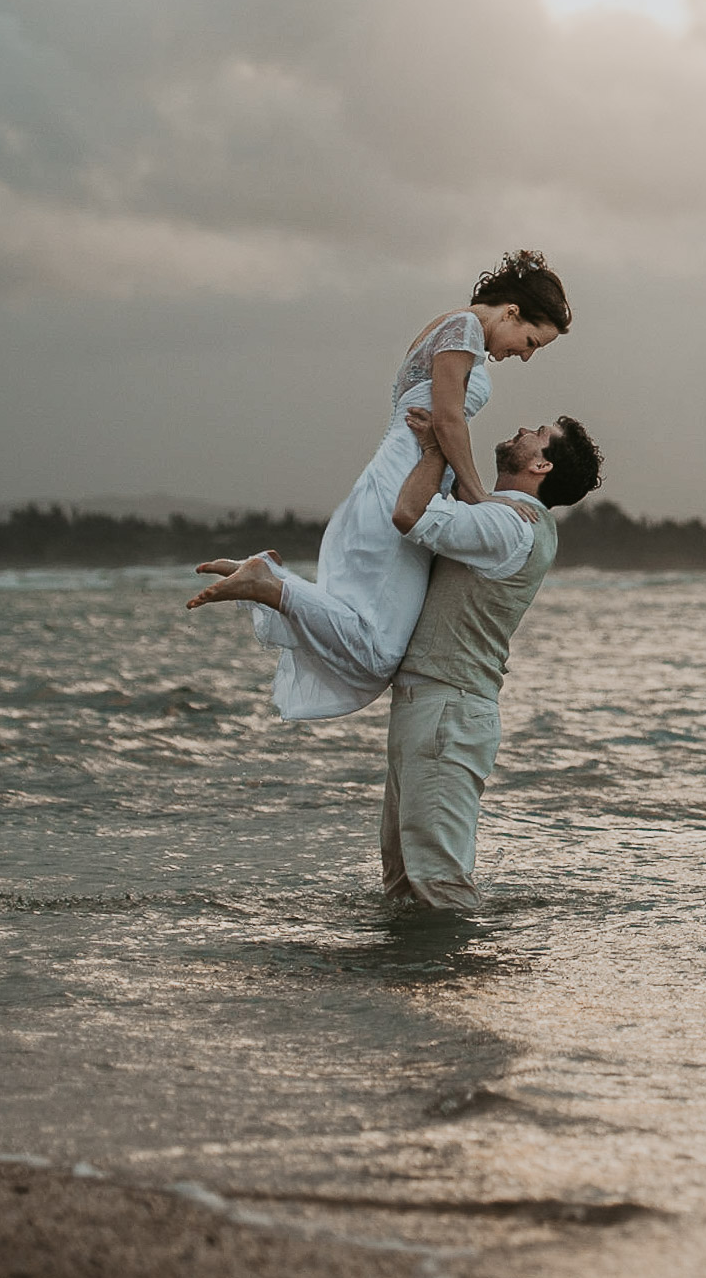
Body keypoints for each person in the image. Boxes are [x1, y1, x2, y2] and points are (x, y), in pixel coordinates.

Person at [186, 252, 572, 720]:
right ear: (511, 312)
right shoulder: (463, 330)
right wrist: (479, 496)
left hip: (405, 475)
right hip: (404, 479)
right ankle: (269, 585)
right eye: (530, 340)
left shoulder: (452, 329)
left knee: (369, 631)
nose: (526, 355)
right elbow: (448, 420)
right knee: (378, 654)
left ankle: (271, 576)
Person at [381, 404, 603, 910]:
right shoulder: (504, 515)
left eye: (539, 433)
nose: (525, 429)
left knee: (437, 881)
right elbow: (460, 501)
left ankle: (465, 979)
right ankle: (400, 986)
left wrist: (437, 448)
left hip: (447, 710)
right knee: (403, 885)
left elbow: (410, 515)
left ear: (541, 465)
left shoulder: (511, 525)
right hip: (435, 706)